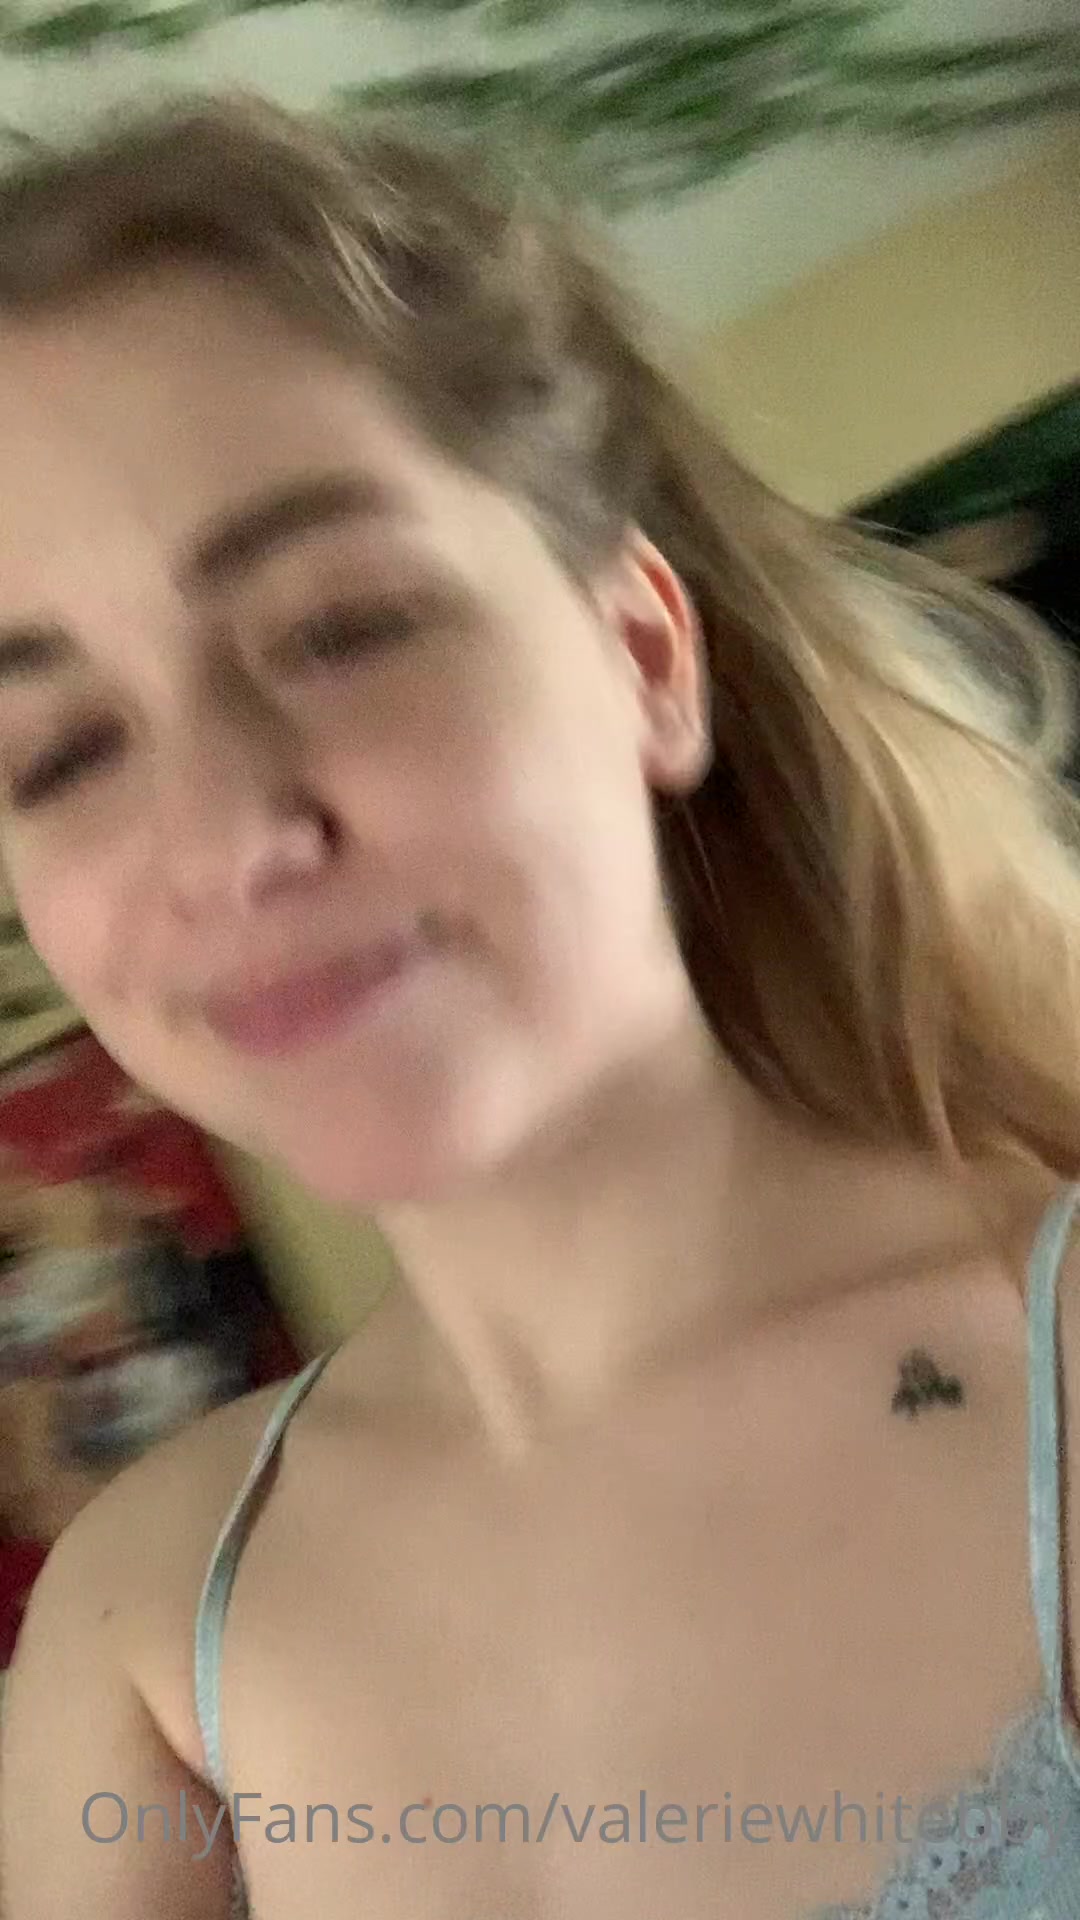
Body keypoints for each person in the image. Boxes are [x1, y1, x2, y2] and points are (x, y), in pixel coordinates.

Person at [0, 92, 1077, 1920]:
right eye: (58, 749)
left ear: (643, 657)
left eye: (340, 627)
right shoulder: (139, 1638)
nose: (226, 837)